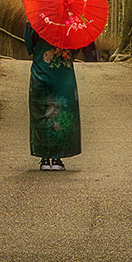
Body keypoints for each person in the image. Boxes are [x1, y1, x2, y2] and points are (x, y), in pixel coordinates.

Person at [22, 21, 82, 171]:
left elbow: (29, 42)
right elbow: (77, 45)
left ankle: (44, 158)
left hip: (41, 68)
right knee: (62, 110)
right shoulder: (70, 21)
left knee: (42, 110)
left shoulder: (36, 18)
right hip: (62, 72)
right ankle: (57, 158)